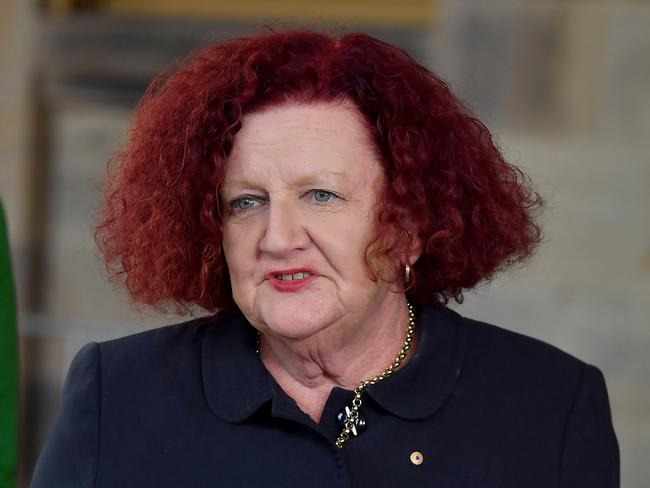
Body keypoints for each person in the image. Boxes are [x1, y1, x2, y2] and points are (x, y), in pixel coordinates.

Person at [32, 29, 619, 487]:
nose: (277, 236)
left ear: (409, 223)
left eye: (321, 195)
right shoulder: (120, 394)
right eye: (246, 202)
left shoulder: (550, 404)